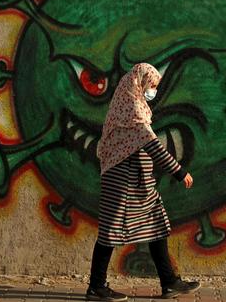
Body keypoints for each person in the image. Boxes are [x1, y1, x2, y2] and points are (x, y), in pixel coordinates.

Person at [86, 63, 201, 301]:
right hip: (122, 183)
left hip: (140, 183)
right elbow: (153, 146)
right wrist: (179, 172)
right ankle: (96, 286)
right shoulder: (131, 110)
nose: (154, 91)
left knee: (157, 225)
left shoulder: (133, 106)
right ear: (140, 83)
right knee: (110, 231)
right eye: (153, 85)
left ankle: (169, 282)